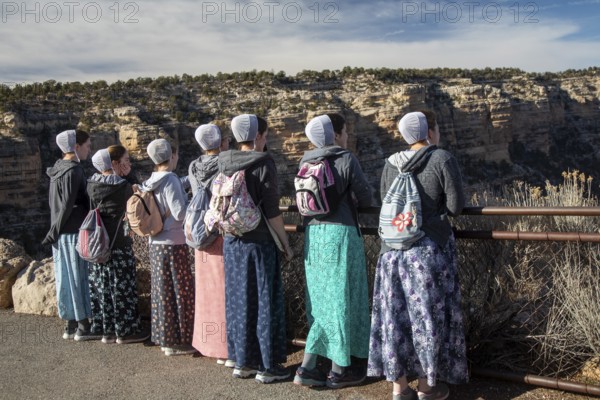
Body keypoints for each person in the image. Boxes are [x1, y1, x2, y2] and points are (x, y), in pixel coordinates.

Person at [367, 111, 468, 400]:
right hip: (426, 253)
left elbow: (387, 201)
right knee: (428, 318)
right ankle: (427, 387)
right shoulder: (441, 158)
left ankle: (399, 388)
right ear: (429, 131)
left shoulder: (390, 163)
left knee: (394, 319)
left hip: (391, 253)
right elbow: (456, 206)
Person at [293, 113, 375, 388]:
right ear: (336, 135)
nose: (347, 136)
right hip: (341, 235)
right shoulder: (346, 158)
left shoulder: (305, 161)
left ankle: (307, 368)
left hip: (313, 237)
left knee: (320, 302)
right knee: (343, 299)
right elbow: (366, 196)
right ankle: (340, 370)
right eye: (345, 131)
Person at [219, 114, 293, 384]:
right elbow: (272, 210)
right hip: (258, 243)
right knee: (264, 301)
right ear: (259, 136)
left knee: (239, 301)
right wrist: (285, 242)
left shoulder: (224, 161)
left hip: (232, 241)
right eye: (266, 134)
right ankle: (267, 366)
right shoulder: (263, 162)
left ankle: (243, 361)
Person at [87, 146, 149, 345]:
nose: (128, 163)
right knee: (122, 288)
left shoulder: (91, 184)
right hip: (119, 243)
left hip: (99, 243)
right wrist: (129, 177)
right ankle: (126, 331)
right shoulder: (121, 186)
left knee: (103, 287)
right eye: (125, 160)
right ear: (113, 163)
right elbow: (136, 198)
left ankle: (107, 330)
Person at [140, 139, 195, 356]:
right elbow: (180, 213)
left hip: (156, 243)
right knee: (180, 291)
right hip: (173, 242)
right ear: (171, 156)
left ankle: (165, 339)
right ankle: (180, 341)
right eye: (176, 154)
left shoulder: (152, 179)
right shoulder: (170, 179)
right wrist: (197, 204)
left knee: (163, 292)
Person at [42, 129, 94, 340]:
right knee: (78, 276)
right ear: (76, 147)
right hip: (73, 232)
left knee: (64, 277)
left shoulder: (56, 169)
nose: (89, 150)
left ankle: (70, 324)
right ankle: (83, 326)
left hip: (60, 233)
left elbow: (55, 206)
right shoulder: (74, 171)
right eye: (87, 145)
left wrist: (54, 231)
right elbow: (68, 205)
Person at [189, 124, 231, 365]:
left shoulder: (193, 166)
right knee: (226, 290)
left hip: (200, 233)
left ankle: (210, 344)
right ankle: (228, 346)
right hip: (221, 232)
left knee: (207, 291)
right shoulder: (225, 164)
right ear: (221, 142)